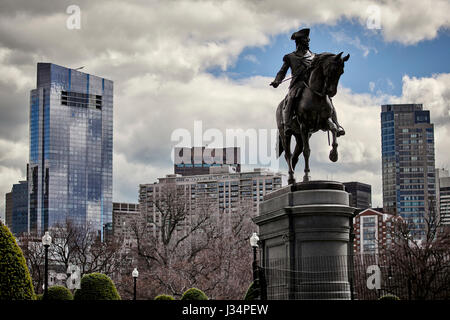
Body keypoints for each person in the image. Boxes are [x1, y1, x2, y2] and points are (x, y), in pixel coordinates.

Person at [270, 28, 345, 137]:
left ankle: (336, 125)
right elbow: (282, 72)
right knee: (291, 98)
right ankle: (287, 124)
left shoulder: (314, 56)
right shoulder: (290, 57)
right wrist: (277, 81)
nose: (308, 42)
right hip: (298, 85)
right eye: (305, 40)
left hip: (312, 84)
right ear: (299, 41)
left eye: (308, 40)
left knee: (328, 99)